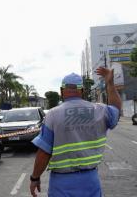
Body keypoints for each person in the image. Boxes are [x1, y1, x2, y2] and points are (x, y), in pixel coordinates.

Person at [29, 67, 122, 197]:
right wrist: (110, 83)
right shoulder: (99, 110)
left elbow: (44, 152)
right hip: (90, 181)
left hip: (61, 184)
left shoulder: (53, 114)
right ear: (82, 90)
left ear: (62, 91)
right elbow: (116, 110)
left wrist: (35, 178)